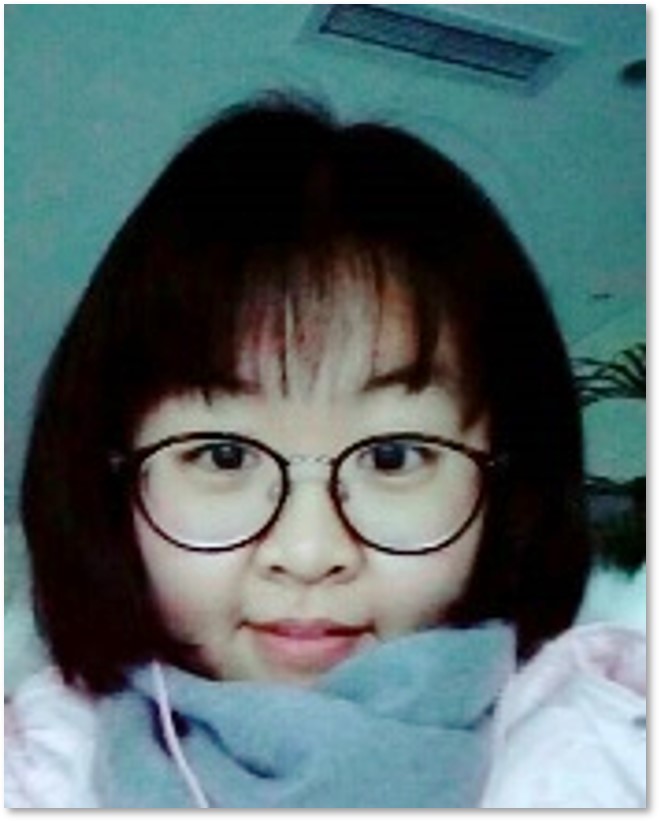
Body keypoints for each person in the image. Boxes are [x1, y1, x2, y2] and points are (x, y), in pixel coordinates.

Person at [5, 96, 646, 808]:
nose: (309, 553)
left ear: (505, 482)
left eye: (393, 457)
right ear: (114, 477)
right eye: (223, 456)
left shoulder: (617, 749)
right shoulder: (32, 767)